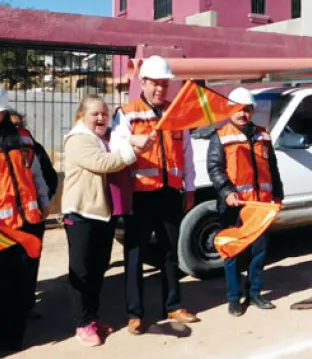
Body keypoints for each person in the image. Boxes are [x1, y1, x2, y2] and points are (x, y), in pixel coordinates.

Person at [110, 55, 198, 334]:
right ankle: (135, 313)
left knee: (170, 252)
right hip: (140, 195)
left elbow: (187, 154)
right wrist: (132, 140)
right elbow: (113, 143)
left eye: (164, 84)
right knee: (135, 254)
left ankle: (173, 305)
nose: (161, 89)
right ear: (143, 82)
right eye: (155, 84)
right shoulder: (128, 112)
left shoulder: (176, 115)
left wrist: (191, 188)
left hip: (170, 193)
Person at [61, 95, 144, 347]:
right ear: (81, 117)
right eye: (95, 114)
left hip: (102, 214)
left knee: (98, 270)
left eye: (104, 114)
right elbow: (103, 163)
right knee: (82, 272)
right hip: (81, 214)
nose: (101, 118)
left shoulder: (103, 138)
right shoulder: (77, 140)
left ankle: (93, 318)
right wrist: (133, 151)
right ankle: (82, 323)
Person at [0, 83, 50, 359]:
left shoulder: (22, 139)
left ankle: (12, 338)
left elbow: (36, 174)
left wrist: (44, 201)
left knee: (18, 288)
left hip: (24, 225)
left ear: (4, 113)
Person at [206, 87, 284, 317]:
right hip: (235, 206)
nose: (242, 114)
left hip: (260, 206)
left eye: (247, 109)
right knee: (232, 252)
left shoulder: (263, 135)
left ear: (252, 111)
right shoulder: (220, 136)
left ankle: (255, 294)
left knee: (259, 252)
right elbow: (214, 168)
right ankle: (233, 299)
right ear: (231, 109)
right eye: (238, 109)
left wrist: (278, 196)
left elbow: (273, 169)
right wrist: (226, 191)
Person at [8, 109, 59, 319]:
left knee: (30, 265)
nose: (16, 129)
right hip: (7, 221)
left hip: (33, 217)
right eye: (11, 125)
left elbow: (47, 176)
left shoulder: (32, 147)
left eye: (19, 124)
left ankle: (26, 306)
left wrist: (43, 200)